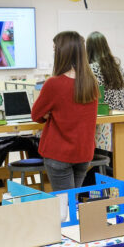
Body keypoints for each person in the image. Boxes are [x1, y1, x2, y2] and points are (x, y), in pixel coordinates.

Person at [31, 31, 99, 191]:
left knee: (64, 206)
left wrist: (49, 114)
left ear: (63, 53)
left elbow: (36, 115)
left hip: (59, 154)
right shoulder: (91, 83)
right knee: (72, 203)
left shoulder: (53, 84)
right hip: (83, 153)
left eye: (55, 50)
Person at [87, 31, 124, 111]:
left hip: (102, 115)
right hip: (119, 114)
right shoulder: (118, 67)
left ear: (89, 49)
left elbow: (89, 97)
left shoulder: (90, 69)